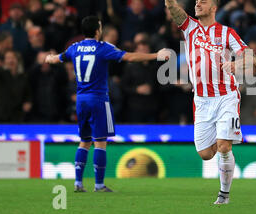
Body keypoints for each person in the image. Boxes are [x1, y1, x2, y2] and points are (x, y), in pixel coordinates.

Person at [160, 0, 256, 204]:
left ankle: (224, 195)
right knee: (205, 154)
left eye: (202, 1)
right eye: (195, 1)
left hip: (226, 96)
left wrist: (236, 64)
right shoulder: (189, 27)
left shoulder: (226, 32)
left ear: (213, 7)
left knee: (224, 146)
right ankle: (223, 135)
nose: (197, 4)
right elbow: (171, 4)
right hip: (201, 100)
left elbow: (250, 57)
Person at [45, 16, 170, 192]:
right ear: (97, 31)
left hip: (81, 100)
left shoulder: (74, 48)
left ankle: (78, 183)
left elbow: (57, 58)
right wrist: (156, 55)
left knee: (84, 141)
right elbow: (130, 57)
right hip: (98, 99)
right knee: (100, 141)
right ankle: (99, 184)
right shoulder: (103, 48)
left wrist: (49, 57)